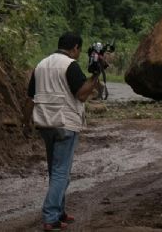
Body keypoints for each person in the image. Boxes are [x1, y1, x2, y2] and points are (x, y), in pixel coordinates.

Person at [28, 32, 104, 231]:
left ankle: (59, 211)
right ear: (76, 48)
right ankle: (50, 216)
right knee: (62, 172)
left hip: (45, 122)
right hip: (65, 123)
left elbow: (30, 94)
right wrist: (96, 75)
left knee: (56, 170)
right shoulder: (70, 65)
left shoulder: (41, 64)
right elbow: (81, 94)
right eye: (79, 50)